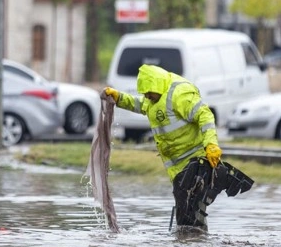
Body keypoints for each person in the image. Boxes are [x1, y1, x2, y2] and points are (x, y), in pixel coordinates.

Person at [103, 64, 253, 231]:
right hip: (177, 168)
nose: (146, 96)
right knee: (189, 211)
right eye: (144, 93)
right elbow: (139, 105)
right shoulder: (153, 98)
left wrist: (211, 144)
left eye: (148, 93)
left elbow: (205, 115)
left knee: (188, 210)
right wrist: (118, 98)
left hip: (196, 162)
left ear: (156, 85)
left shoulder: (179, 95)